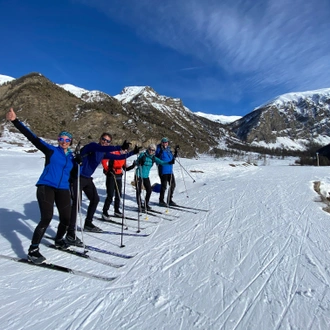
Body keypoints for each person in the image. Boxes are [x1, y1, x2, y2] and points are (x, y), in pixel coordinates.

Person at [6, 108, 77, 264]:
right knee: (47, 217)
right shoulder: (51, 150)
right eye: (61, 139)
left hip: (63, 188)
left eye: (66, 140)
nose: (63, 142)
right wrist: (15, 121)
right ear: (58, 140)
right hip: (46, 186)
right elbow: (33, 138)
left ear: (70, 142)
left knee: (66, 217)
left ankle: (59, 240)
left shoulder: (72, 157)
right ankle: (33, 250)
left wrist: (79, 163)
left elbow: (74, 174)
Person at [67, 133, 140, 246]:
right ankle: (70, 234)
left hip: (87, 179)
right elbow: (102, 148)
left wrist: (132, 153)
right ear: (99, 139)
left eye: (108, 141)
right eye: (104, 139)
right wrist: (119, 147)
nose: (105, 142)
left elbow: (119, 157)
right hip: (77, 177)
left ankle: (88, 223)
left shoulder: (103, 152)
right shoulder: (92, 146)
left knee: (95, 199)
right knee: (77, 204)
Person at [135, 143, 174, 211]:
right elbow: (136, 162)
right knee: (139, 191)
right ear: (148, 149)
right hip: (139, 174)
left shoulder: (153, 157)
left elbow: (161, 162)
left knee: (149, 190)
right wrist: (139, 162)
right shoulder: (143, 155)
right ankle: (140, 205)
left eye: (153, 150)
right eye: (150, 149)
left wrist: (169, 162)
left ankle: (146, 204)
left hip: (146, 176)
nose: (151, 151)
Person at [101, 151, 136, 219]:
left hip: (119, 176)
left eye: (126, 150)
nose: (125, 151)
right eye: (124, 150)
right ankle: (105, 212)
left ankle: (116, 210)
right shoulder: (114, 153)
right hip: (111, 176)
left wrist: (132, 166)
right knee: (110, 195)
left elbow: (125, 168)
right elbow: (104, 161)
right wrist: (108, 169)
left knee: (119, 194)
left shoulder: (123, 157)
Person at [155, 137, 179, 206]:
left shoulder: (168, 149)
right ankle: (161, 200)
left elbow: (172, 159)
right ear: (161, 143)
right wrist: (161, 152)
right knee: (164, 186)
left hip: (170, 170)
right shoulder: (158, 149)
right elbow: (156, 158)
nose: (165, 143)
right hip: (163, 170)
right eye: (164, 142)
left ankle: (169, 200)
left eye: (166, 142)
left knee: (173, 185)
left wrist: (176, 153)